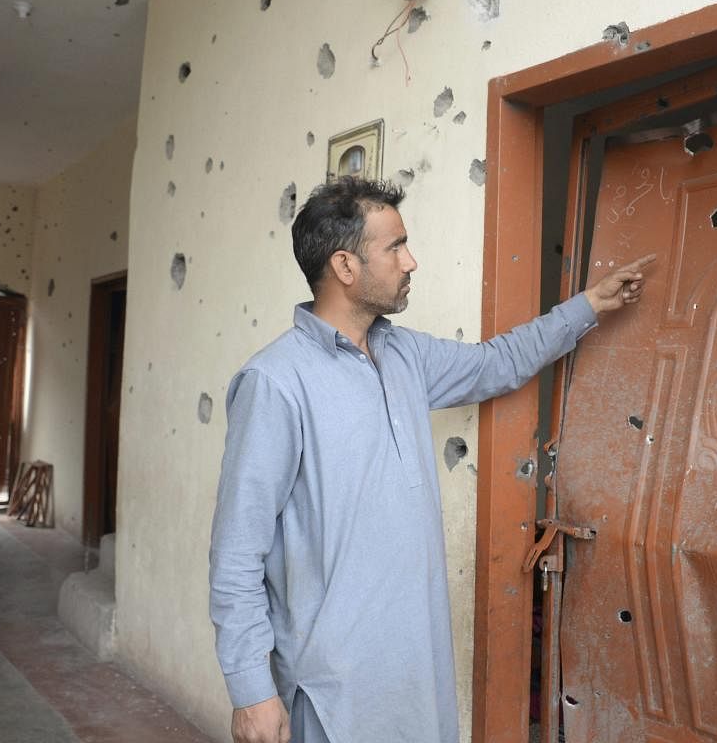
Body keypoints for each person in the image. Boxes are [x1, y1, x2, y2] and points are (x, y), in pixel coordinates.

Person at [209, 176, 654, 743]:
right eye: (394, 247)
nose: (410, 261)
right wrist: (251, 690)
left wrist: (589, 305)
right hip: (331, 695)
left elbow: (499, 362)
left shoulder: (404, 354)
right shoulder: (274, 382)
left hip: (416, 679)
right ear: (345, 267)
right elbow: (236, 554)